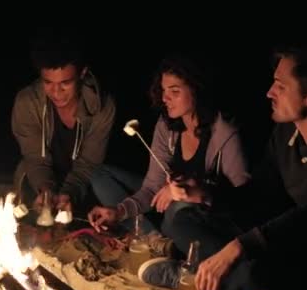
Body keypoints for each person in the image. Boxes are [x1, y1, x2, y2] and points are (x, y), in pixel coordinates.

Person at [139, 45, 307, 290]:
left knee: (266, 268)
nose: (269, 92)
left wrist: (240, 246)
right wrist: (205, 194)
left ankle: (213, 280)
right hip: (291, 241)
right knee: (181, 218)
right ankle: (237, 284)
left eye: (280, 86)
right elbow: (259, 195)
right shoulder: (285, 132)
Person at [87, 54, 251, 253]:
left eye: (174, 91)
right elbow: (151, 188)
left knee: (176, 208)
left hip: (207, 216)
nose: (165, 98)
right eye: (164, 90)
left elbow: (243, 202)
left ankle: (167, 243)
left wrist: (186, 192)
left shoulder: (225, 134)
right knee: (99, 174)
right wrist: (119, 211)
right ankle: (156, 240)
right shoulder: (167, 126)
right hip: (167, 208)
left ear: (197, 89)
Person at [11, 29, 116, 218]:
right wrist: (46, 191)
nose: (56, 92)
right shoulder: (27, 102)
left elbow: (89, 163)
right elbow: (35, 158)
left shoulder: (101, 106)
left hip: (84, 181)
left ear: (82, 73)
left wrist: (68, 193)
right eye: (48, 82)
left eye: (65, 83)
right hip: (38, 177)